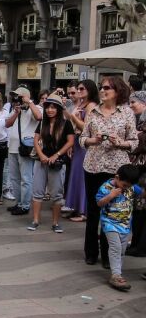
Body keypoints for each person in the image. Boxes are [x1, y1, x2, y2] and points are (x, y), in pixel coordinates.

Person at [80, 76, 137, 267]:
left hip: (115, 169)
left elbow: (134, 141)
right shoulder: (93, 111)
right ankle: (90, 252)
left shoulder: (127, 113)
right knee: (93, 210)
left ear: (117, 91)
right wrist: (91, 141)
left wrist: (120, 143)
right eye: (101, 88)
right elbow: (82, 138)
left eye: (107, 88)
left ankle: (107, 255)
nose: (103, 91)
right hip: (93, 166)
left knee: (112, 211)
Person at [26, 94, 75, 232]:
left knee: (57, 194)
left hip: (57, 162)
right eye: (48, 107)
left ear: (59, 109)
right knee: (37, 192)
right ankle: (35, 220)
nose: (50, 110)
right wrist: (41, 155)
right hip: (41, 161)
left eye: (54, 107)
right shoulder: (42, 123)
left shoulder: (66, 123)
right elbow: (36, 140)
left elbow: (70, 141)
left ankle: (55, 222)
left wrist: (57, 155)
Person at [96, 164, 142, 291]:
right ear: (117, 177)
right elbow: (99, 202)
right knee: (115, 248)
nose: (127, 188)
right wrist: (110, 196)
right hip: (110, 223)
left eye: (129, 186)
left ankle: (118, 273)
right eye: (125, 185)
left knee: (121, 250)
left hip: (125, 225)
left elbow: (141, 193)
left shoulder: (132, 188)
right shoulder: (106, 187)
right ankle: (116, 275)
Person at [64, 80, 99, 222]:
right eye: (78, 89)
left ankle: (84, 211)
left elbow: (87, 127)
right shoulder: (80, 104)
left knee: (82, 177)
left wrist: (73, 117)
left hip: (86, 144)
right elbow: (71, 124)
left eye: (82, 89)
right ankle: (77, 207)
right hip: (77, 142)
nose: (79, 91)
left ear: (90, 90)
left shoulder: (91, 105)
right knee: (76, 175)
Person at [5, 87, 42, 216]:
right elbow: (7, 124)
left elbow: (39, 117)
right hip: (13, 148)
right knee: (14, 178)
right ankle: (19, 203)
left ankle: (25, 206)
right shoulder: (16, 109)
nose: (16, 99)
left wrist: (29, 102)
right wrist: (16, 112)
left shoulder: (34, 108)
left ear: (25, 97)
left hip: (25, 149)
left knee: (26, 178)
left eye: (19, 97)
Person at [126, 91, 146, 257]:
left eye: (134, 102)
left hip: (143, 173)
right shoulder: (135, 120)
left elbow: (139, 144)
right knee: (138, 210)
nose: (131, 105)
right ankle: (137, 243)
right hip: (138, 171)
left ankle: (140, 247)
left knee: (141, 209)